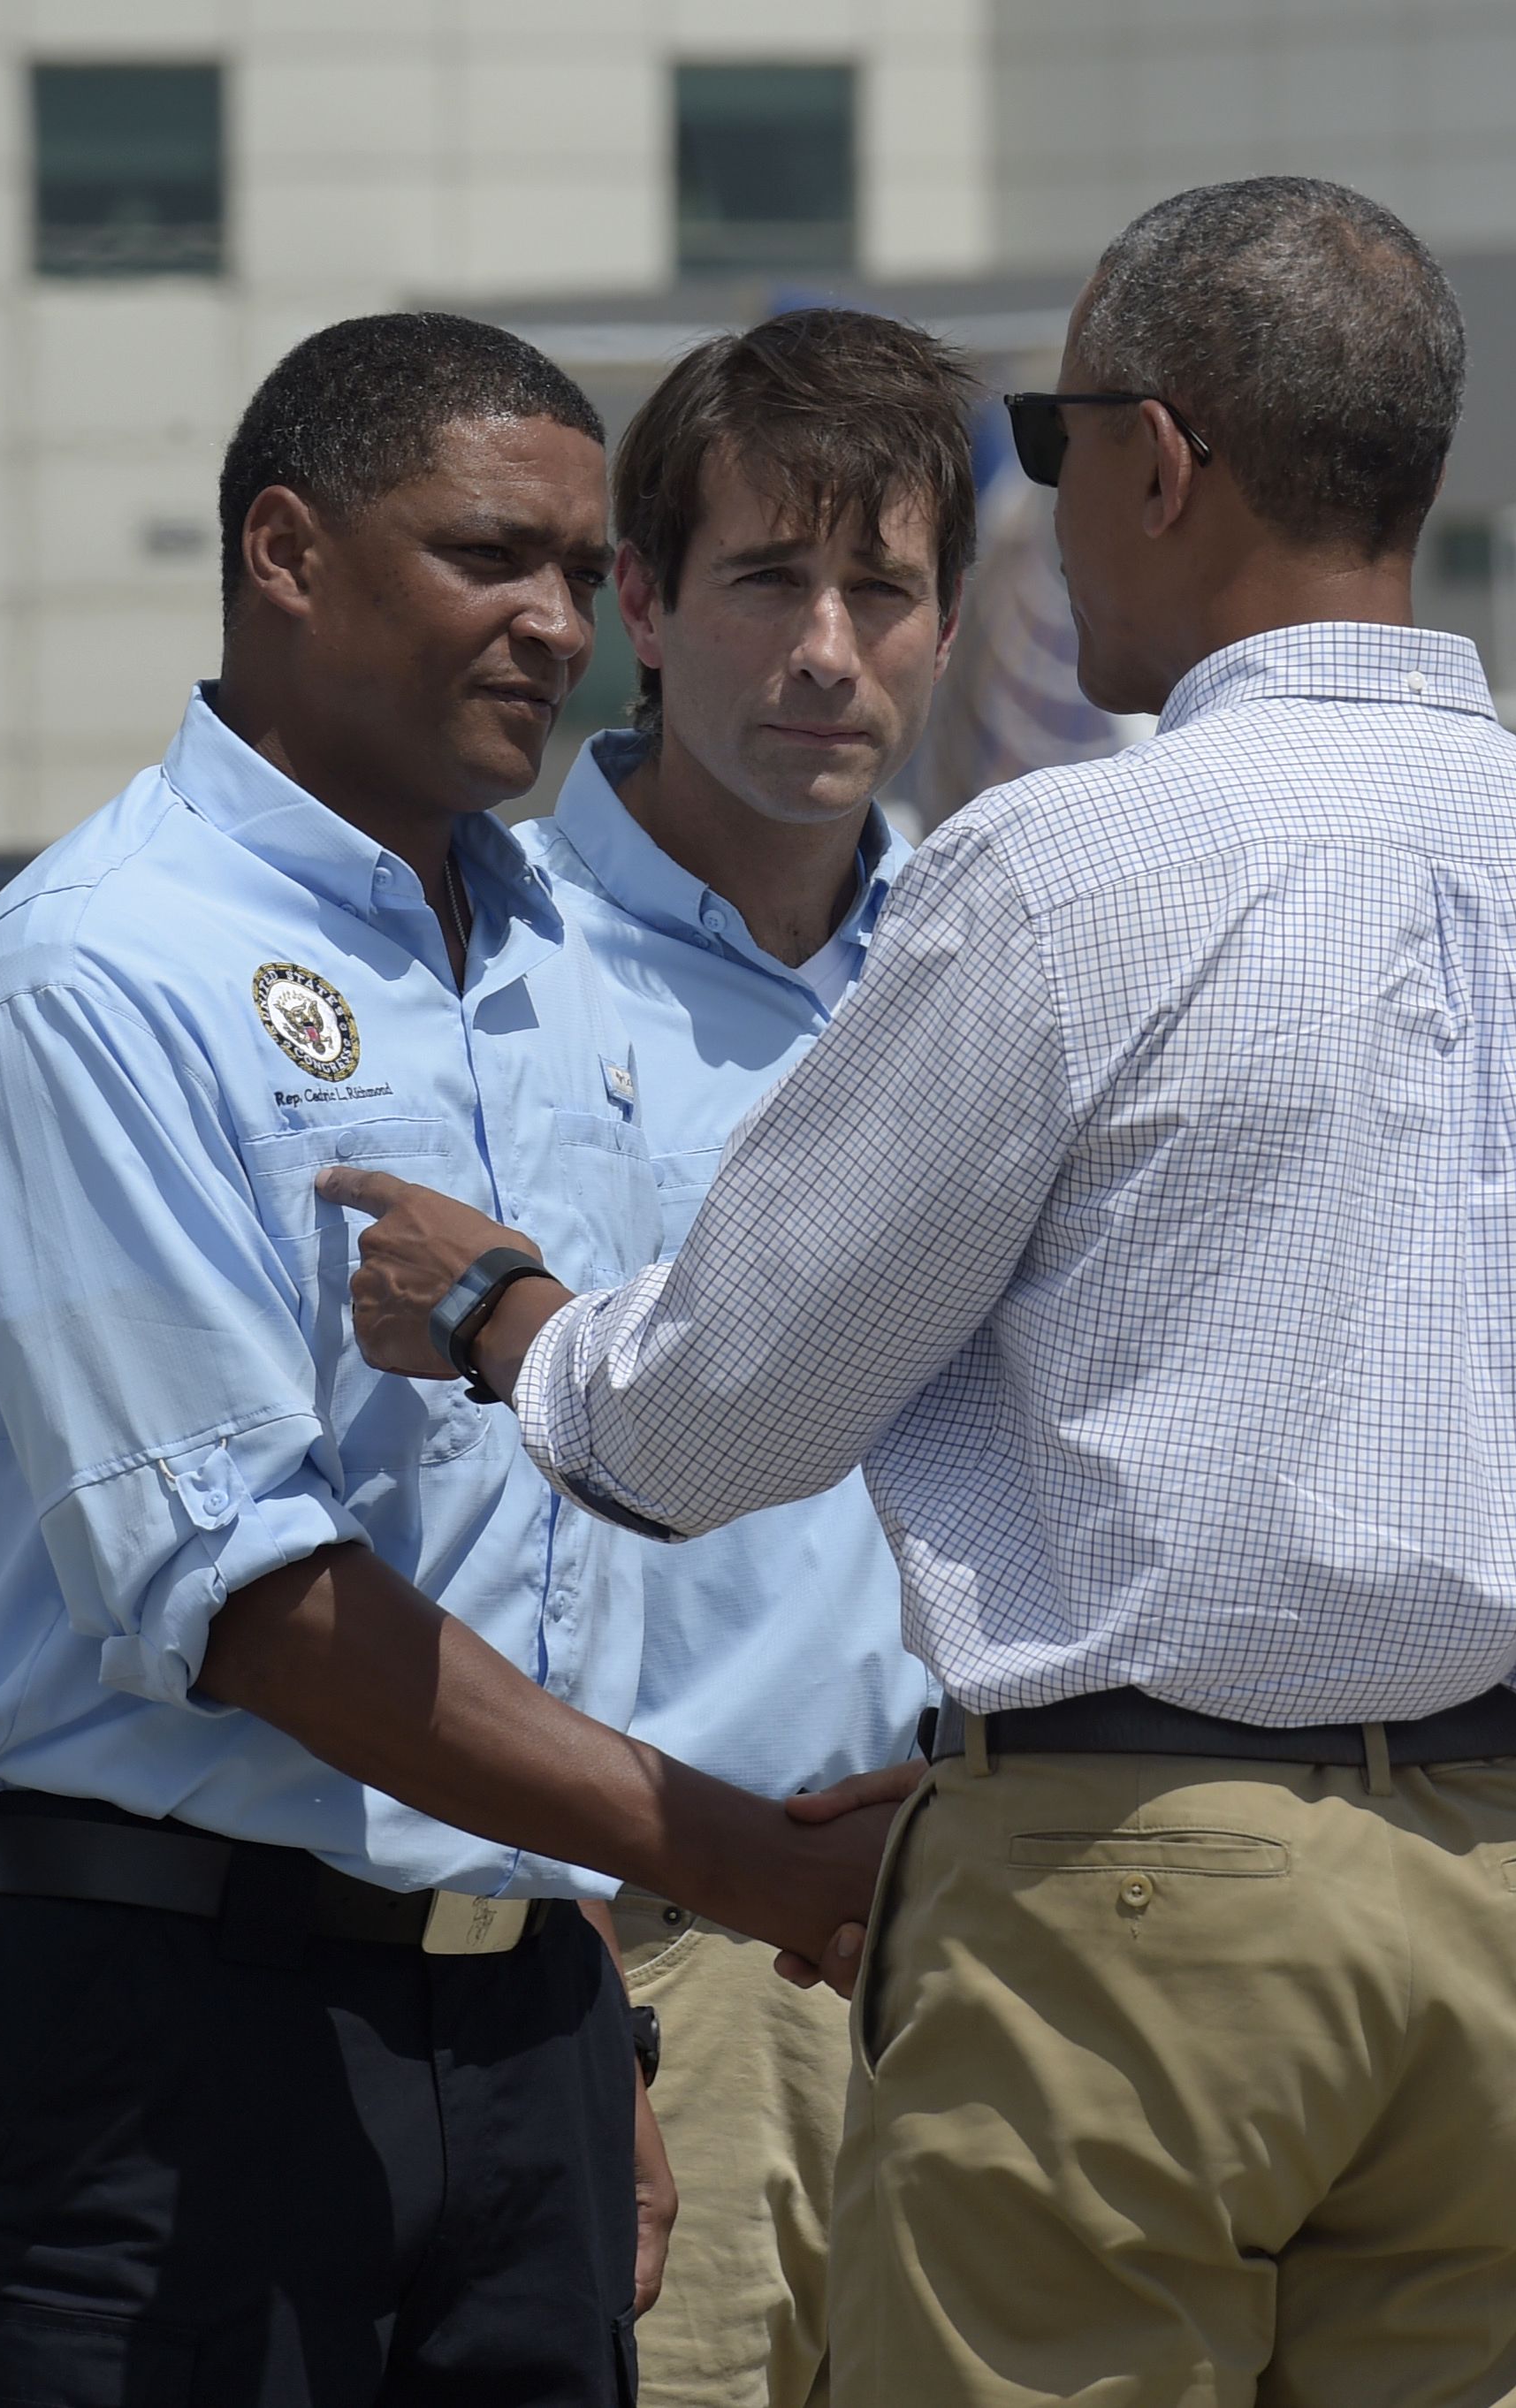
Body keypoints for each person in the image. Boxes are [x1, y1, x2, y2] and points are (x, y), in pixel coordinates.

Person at [320, 177, 1516, 2408]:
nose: (1043, 521)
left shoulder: (1071, 865)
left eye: (1057, 446)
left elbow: (698, 1434)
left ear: (1162, 459)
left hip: (1138, 1907)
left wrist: (507, 1312)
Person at [0, 314, 895, 2408]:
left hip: (515, 2017)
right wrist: (716, 1851)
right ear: (286, 550)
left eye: (580, 573)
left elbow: (538, 1554)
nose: (554, 623)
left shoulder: (543, 961)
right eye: (485, 556)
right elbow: (239, 1598)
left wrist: (569, 1975)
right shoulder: (95, 981)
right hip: (163, 2018)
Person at [525, 307, 969, 2408]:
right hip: (648, 1945)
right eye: (766, 581)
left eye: (880, 589)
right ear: (639, 601)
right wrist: (571, 1973)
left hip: (984, 1939)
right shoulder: (483, 965)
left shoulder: (1000, 963)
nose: (824, 652)